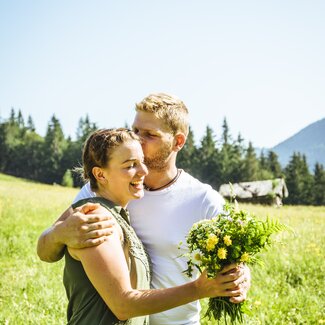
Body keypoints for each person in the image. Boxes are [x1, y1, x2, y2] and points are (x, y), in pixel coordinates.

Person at [37, 93, 251, 325]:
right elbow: (45, 250)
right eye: (135, 130)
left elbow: (237, 262)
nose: (137, 140)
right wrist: (59, 234)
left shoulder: (203, 199)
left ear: (178, 142)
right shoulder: (101, 189)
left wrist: (241, 278)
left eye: (150, 135)